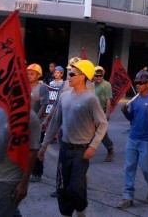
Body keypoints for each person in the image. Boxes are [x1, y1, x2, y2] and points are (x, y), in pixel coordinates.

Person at [37, 59, 108, 217]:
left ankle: (81, 211)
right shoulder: (65, 97)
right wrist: (44, 145)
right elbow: (55, 122)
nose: (68, 76)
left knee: (75, 189)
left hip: (80, 152)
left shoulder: (91, 99)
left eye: (72, 74)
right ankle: (66, 214)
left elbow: (103, 124)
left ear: (82, 76)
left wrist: (93, 146)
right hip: (64, 150)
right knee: (61, 188)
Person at [117, 71, 148, 209]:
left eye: (141, 83)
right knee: (129, 167)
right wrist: (125, 112)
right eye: (136, 83)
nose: (138, 85)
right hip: (133, 137)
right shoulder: (135, 99)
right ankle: (128, 197)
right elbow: (132, 119)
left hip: (147, 140)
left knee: (146, 168)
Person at [27, 63, 49, 183]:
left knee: (36, 148)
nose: (29, 75)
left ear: (38, 75)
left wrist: (35, 120)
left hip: (37, 124)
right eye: (28, 73)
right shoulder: (24, 86)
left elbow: (44, 105)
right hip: (24, 122)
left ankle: (37, 173)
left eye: (32, 74)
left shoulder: (42, 88)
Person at [93, 65, 115, 162]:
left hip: (101, 112)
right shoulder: (91, 85)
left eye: (100, 76)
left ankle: (110, 150)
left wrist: (107, 113)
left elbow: (108, 99)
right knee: (88, 132)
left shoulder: (106, 85)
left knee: (102, 134)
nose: (98, 77)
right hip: (91, 112)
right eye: (96, 76)